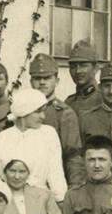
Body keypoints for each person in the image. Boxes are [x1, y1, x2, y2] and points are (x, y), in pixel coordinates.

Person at [0, 89, 67, 201]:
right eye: (38, 112)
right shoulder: (4, 137)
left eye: (43, 111)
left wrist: (60, 199)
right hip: (8, 202)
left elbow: (56, 173)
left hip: (39, 200)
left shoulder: (48, 134)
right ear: (24, 113)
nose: (43, 116)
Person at [28, 53, 85, 187]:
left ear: (57, 81)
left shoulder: (65, 114)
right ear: (31, 82)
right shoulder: (24, 112)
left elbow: (73, 156)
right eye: (37, 78)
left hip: (54, 185)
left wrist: (74, 188)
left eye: (47, 78)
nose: (42, 82)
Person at [65, 40, 101, 116]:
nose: (78, 71)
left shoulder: (104, 100)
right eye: (73, 66)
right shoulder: (68, 103)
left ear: (95, 68)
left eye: (83, 65)